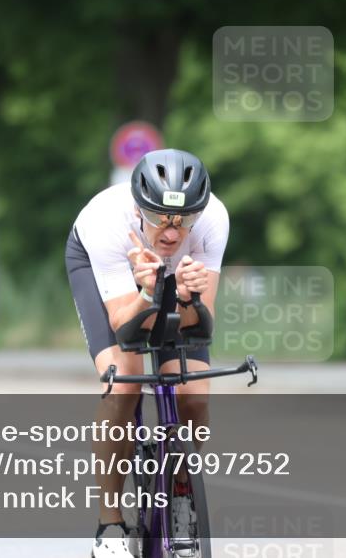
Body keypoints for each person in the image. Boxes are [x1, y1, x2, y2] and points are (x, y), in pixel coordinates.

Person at [65, 149, 228, 558]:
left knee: (193, 396)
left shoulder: (213, 220)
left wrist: (187, 297)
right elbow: (125, 324)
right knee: (125, 383)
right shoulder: (107, 223)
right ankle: (110, 525)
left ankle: (177, 492)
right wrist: (147, 293)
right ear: (139, 209)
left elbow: (201, 323)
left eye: (183, 220)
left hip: (169, 280)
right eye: (159, 218)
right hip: (116, 273)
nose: (172, 233)